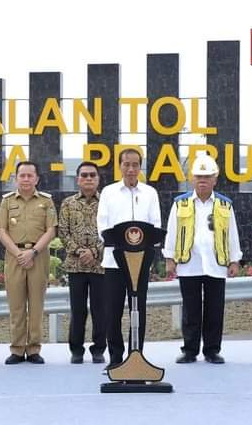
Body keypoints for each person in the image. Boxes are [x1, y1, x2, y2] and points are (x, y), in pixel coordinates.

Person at [163, 154, 242, 364]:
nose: (202, 180)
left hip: (216, 264)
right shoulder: (180, 204)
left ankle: (212, 350)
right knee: (191, 310)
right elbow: (172, 231)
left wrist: (235, 260)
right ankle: (190, 350)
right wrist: (169, 258)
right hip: (189, 263)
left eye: (207, 177)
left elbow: (232, 233)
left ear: (215, 179)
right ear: (192, 178)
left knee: (215, 309)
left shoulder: (225, 205)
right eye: (199, 176)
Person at [97, 148, 161, 369]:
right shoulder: (109, 192)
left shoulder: (150, 193)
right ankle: (116, 359)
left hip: (140, 262)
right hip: (114, 262)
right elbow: (102, 226)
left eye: (135, 165)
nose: (131, 169)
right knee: (112, 311)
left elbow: (155, 225)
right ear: (120, 166)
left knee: (138, 309)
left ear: (140, 167)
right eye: (127, 164)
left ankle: (137, 356)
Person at [0, 161, 57, 365]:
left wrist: (33, 252)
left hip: (38, 255)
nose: (26, 179)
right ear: (16, 178)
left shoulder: (46, 201)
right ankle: (17, 348)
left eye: (30, 175)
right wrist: (19, 254)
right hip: (14, 257)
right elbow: (1, 231)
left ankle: (33, 349)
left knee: (37, 305)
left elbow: (51, 230)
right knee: (16, 305)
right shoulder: (7, 201)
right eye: (22, 175)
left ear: (37, 179)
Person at [58, 161, 106, 364]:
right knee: (78, 310)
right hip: (75, 265)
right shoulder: (68, 203)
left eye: (92, 175)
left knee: (100, 310)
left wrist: (94, 252)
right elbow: (63, 232)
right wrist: (79, 251)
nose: (88, 178)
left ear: (98, 179)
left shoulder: (107, 202)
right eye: (84, 175)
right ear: (77, 179)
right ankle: (76, 350)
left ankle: (98, 349)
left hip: (100, 265)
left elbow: (110, 231)